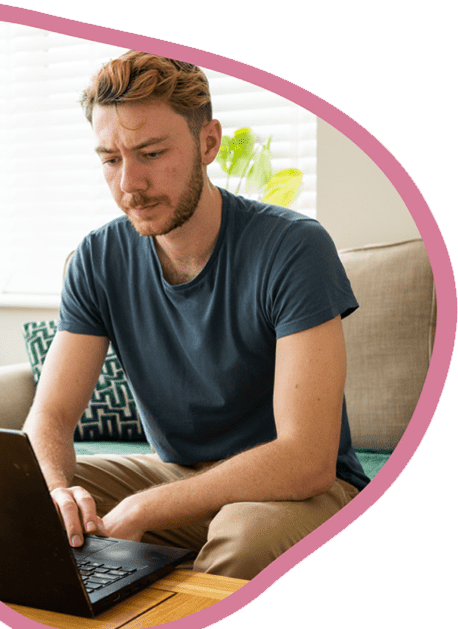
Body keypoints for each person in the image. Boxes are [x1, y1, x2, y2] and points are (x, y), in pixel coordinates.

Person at [22, 51, 370, 580]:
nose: (129, 185)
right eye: (111, 160)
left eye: (152, 153)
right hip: (176, 474)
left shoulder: (294, 248)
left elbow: (307, 459)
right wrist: (54, 491)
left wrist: (145, 508)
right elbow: (49, 418)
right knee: (11, 501)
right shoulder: (97, 258)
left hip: (300, 492)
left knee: (244, 539)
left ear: (209, 143)